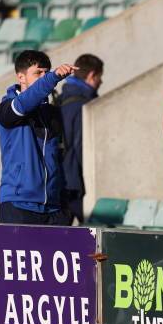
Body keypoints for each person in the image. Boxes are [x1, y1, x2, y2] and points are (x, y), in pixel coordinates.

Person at [0, 50, 77, 225]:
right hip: (19, 206)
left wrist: (64, 204)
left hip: (54, 210)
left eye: (46, 72)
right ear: (21, 77)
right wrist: (52, 77)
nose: (43, 76)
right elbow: (27, 101)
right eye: (38, 72)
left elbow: (58, 158)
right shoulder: (7, 108)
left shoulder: (52, 113)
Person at [59, 54, 104, 223]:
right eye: (100, 76)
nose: (101, 82)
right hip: (74, 182)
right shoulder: (82, 105)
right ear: (92, 75)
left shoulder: (64, 98)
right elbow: (81, 149)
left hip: (62, 178)